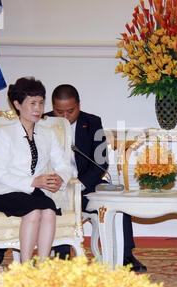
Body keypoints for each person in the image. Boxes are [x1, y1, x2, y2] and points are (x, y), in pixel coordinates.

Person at [47, 84, 147, 272]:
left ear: (78, 105)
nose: (65, 117)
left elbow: (100, 163)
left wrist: (80, 185)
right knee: (52, 204)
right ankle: (62, 256)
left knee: (117, 199)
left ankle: (126, 255)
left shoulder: (92, 122)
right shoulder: (43, 123)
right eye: (60, 112)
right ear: (53, 108)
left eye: (70, 111)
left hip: (85, 185)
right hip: (55, 188)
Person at [0, 77, 71, 263]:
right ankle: (25, 267)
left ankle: (42, 266)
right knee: (34, 211)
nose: (38, 109)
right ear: (17, 104)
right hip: (5, 192)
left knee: (49, 211)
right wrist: (33, 182)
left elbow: (64, 166)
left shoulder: (48, 134)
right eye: (32, 103)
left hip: (34, 193)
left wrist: (61, 179)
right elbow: (0, 174)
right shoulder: (3, 134)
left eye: (41, 103)